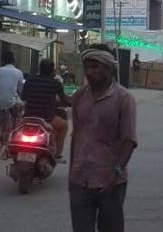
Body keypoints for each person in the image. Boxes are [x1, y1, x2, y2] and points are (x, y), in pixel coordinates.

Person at [70, 48, 138, 232]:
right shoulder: (79, 97)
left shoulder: (124, 99)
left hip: (110, 181)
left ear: (109, 69)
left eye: (95, 67)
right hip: (80, 180)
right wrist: (71, 174)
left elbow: (129, 140)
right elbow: (76, 136)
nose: (90, 72)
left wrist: (115, 172)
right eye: (87, 67)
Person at [21, 58, 71, 160]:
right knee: (64, 126)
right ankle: (57, 154)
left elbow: (23, 97)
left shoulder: (30, 80)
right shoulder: (56, 83)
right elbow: (64, 100)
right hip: (47, 119)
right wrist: (72, 103)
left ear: (40, 69)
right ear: (52, 70)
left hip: (28, 116)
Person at [0, 50, 25, 119]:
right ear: (14, 61)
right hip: (11, 103)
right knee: (19, 106)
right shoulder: (19, 72)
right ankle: (15, 120)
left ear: (2, 61)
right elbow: (21, 89)